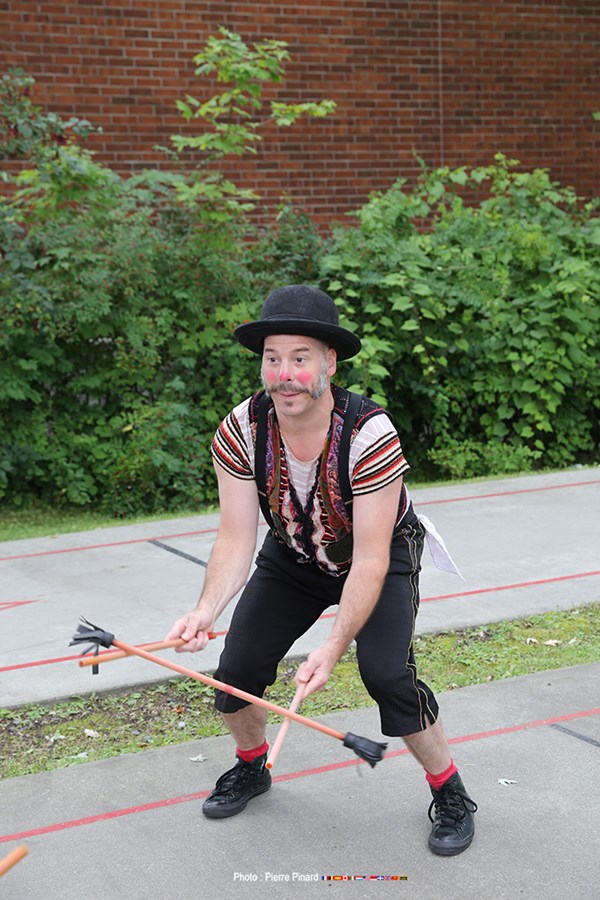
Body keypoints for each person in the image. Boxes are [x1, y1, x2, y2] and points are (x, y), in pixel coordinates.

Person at [166, 284, 477, 856]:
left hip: (377, 557)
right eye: (272, 358)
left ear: (330, 364)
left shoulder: (369, 434)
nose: (284, 374)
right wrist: (205, 609)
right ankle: (252, 766)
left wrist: (332, 648)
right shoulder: (242, 429)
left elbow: (373, 559)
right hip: (294, 556)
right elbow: (235, 537)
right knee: (236, 668)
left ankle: (450, 791)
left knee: (386, 675)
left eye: (300, 358)